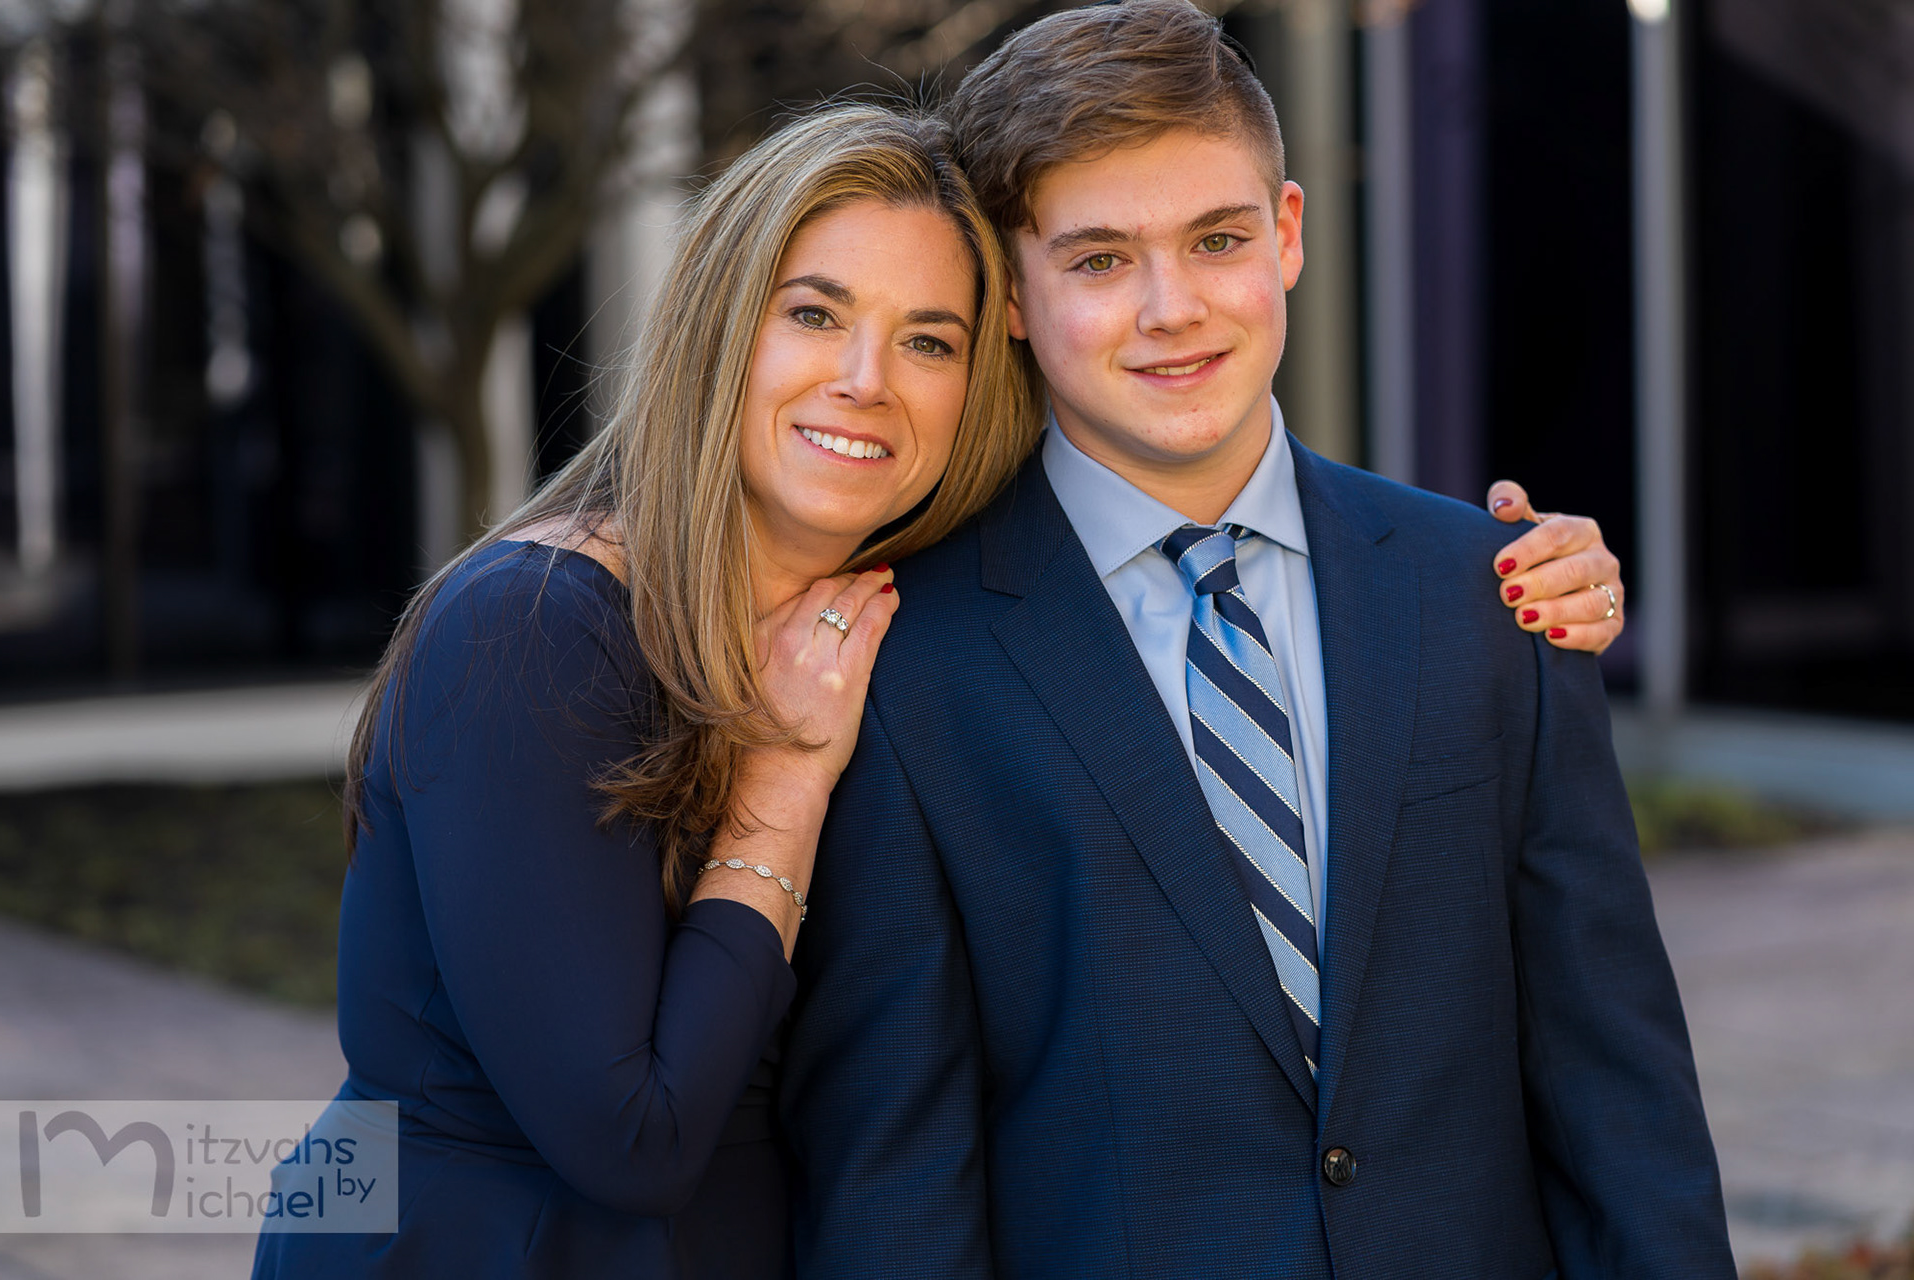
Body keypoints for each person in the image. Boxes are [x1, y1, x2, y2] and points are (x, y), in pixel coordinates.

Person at [254, 102, 1629, 1280]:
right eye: (815, 313)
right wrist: (786, 784)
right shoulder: (537, 629)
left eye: (929, 338)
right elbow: (635, 1135)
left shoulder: (882, 625)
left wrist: (1468, 570)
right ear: (717, 325)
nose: (865, 380)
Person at [778, 5, 1734, 1279]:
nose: (1173, 308)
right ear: (1011, 293)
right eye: (1102, 260)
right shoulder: (914, 664)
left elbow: (1621, 1091)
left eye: (1216, 240)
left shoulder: (1490, 595)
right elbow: (898, 1173)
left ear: (1285, 233)